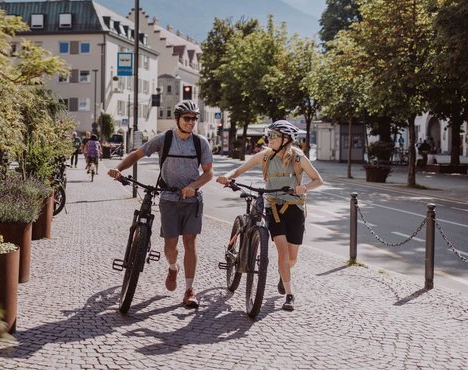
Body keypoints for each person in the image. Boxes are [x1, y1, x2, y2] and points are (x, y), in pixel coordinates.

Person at [107, 100, 213, 308]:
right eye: (187, 118)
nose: (191, 122)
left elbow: (208, 173)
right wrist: (118, 168)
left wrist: (193, 185)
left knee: (190, 243)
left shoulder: (201, 143)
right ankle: (173, 267)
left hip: (192, 201)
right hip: (168, 198)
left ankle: (189, 290)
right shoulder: (164, 139)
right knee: (170, 246)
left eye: (194, 118)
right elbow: (137, 154)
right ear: (178, 120)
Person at [216, 120, 324, 311]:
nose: (269, 139)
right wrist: (228, 176)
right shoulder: (265, 156)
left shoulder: (298, 158)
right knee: (282, 253)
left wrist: (304, 187)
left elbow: (318, 180)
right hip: (273, 207)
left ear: (285, 139)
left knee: (292, 259)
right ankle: (290, 295)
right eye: (269, 134)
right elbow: (240, 169)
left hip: (295, 208)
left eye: (273, 135)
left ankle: (284, 275)